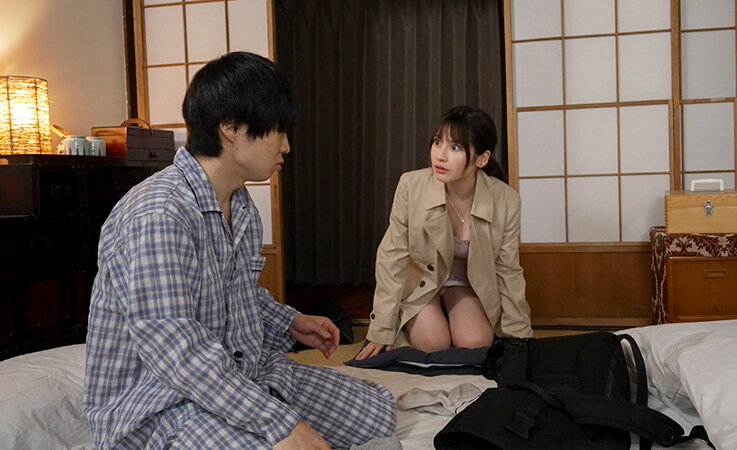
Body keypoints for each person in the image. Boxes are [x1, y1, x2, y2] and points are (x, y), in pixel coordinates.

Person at [84, 52, 396, 449]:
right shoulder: (159, 213)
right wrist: (278, 422)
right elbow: (177, 350)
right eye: (278, 131)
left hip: (241, 374)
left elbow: (236, 295)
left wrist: (290, 321)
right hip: (161, 403)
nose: (286, 146)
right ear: (231, 127)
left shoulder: (241, 205)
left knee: (377, 413)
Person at [357, 106, 534, 360]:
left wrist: (519, 337)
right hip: (421, 283)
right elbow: (391, 257)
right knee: (433, 344)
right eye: (437, 142)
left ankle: (450, 313)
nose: (440, 155)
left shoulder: (506, 200)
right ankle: (413, 321)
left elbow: (508, 270)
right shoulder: (410, 186)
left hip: (465, 284)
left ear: (482, 159)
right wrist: (381, 327)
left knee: (475, 344)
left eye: (455, 147)